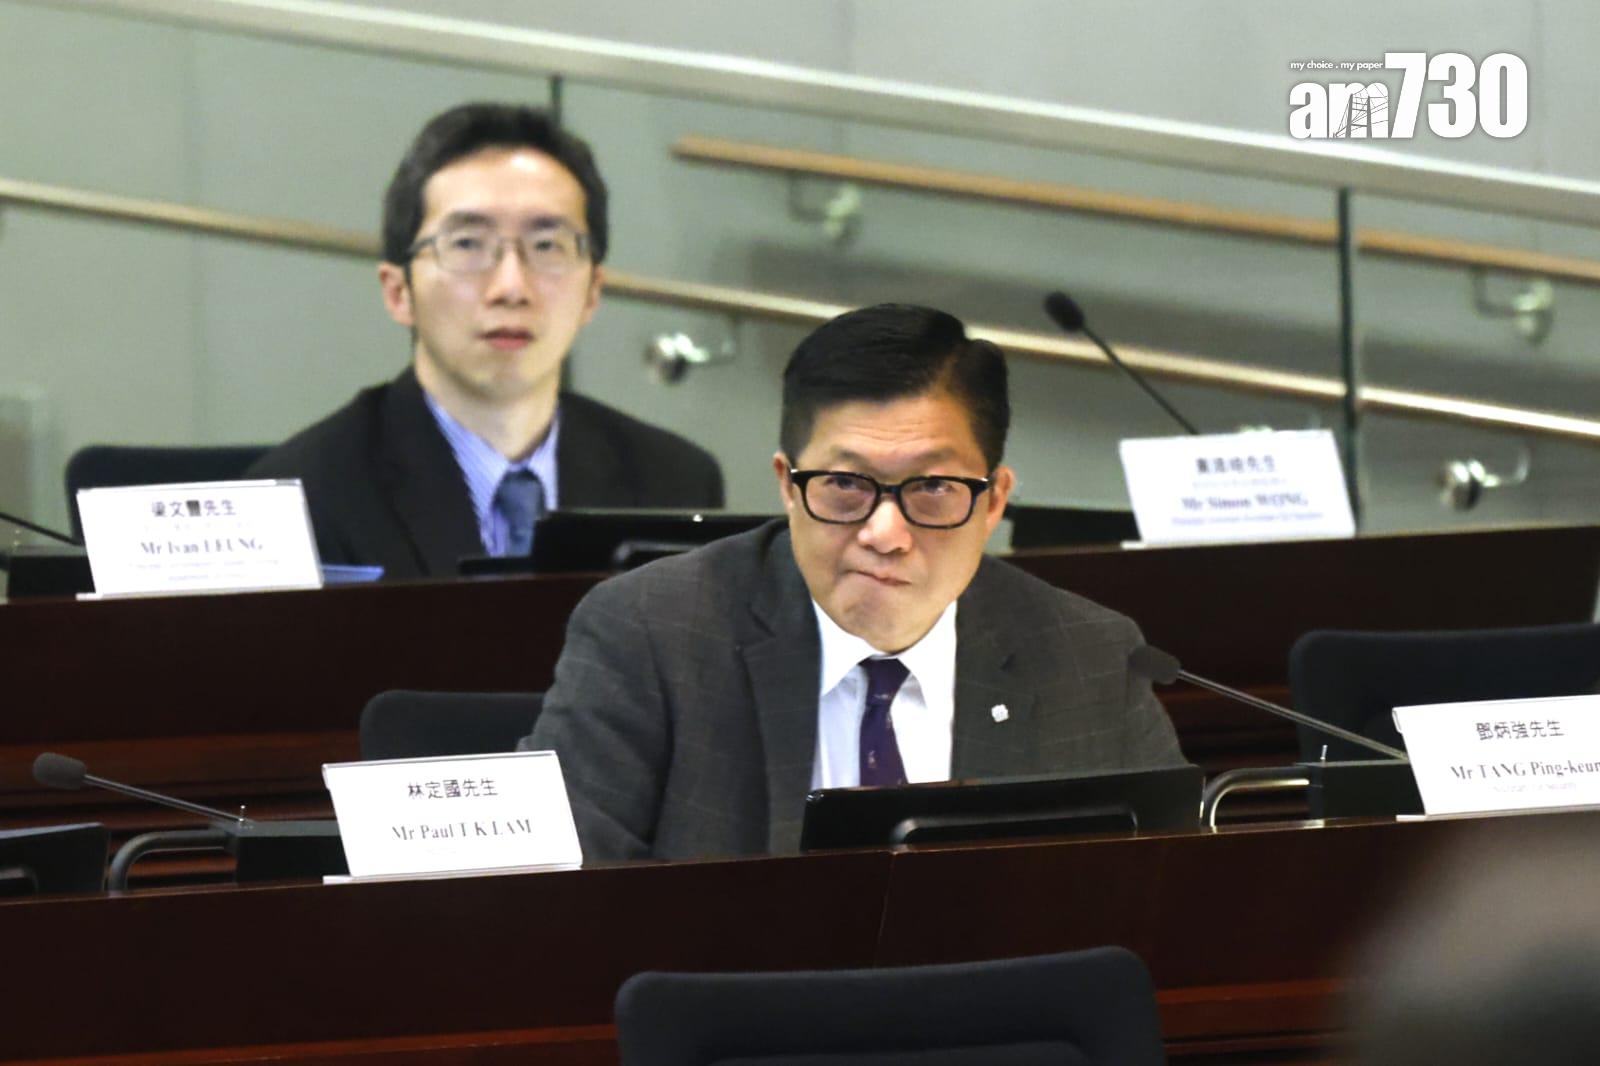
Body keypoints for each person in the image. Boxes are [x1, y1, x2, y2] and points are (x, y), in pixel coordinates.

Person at [525, 303, 1185, 862]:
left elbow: (1162, 905)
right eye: (845, 484)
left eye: (933, 487)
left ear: (993, 502)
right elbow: (566, 899)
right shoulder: (650, 634)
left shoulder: (1092, 659)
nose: (885, 533)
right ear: (788, 485)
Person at [248, 103, 723, 579]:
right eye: (468, 245)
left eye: (546, 246)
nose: (511, 288)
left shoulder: (676, 482)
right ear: (398, 292)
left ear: (593, 292)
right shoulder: (302, 500)